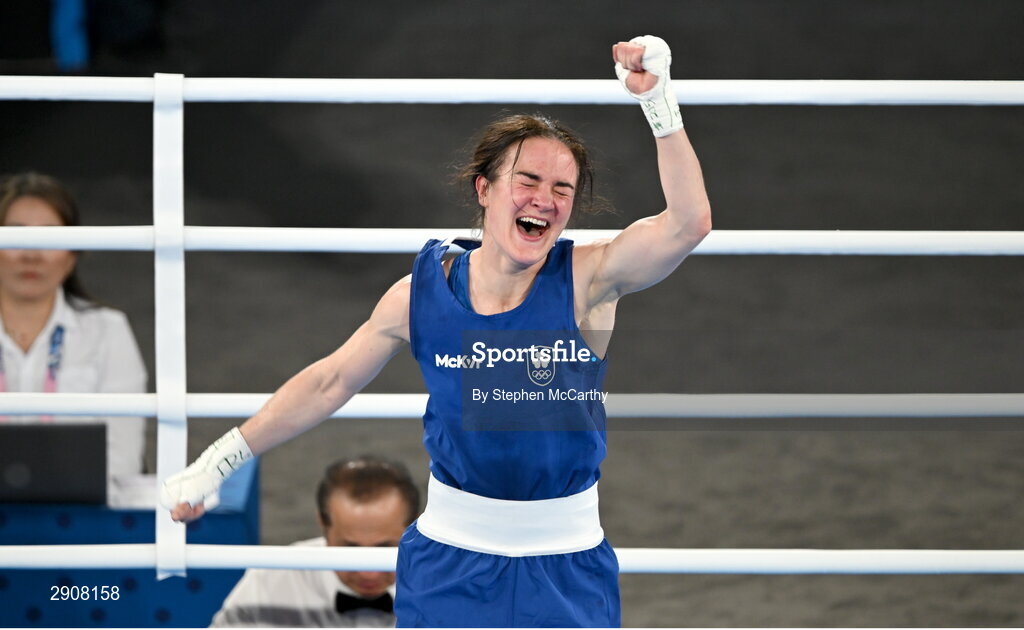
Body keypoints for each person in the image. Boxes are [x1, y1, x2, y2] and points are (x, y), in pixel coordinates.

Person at [163, 35, 711, 627]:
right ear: (485, 189)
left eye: (562, 190)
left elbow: (688, 223)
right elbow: (328, 383)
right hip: (448, 561)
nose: (545, 200)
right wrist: (218, 462)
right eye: (527, 181)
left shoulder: (590, 279)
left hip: (566, 565)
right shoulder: (417, 296)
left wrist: (659, 103)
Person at [0, 172, 148, 487]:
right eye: (16, 234)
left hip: (78, 520)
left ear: (72, 255)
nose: (32, 253)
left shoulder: (109, 331)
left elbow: (122, 462)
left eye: (49, 236)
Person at [210, 456, 420, 628]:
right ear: (323, 524)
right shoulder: (273, 577)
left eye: (383, 549)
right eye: (350, 549)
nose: (368, 573)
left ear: (414, 527)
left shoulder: (445, 580)